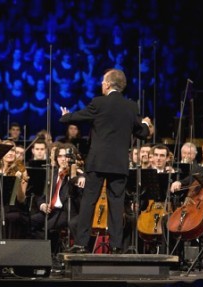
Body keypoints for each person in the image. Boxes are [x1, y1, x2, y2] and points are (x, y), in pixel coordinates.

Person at [60, 68, 153, 254]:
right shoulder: (130, 107)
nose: (101, 84)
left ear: (109, 84)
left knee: (89, 202)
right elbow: (143, 132)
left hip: (98, 162)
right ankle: (117, 245)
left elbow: (78, 117)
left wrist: (65, 116)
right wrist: (145, 123)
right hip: (119, 164)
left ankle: (81, 244)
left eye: (103, 81)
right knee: (116, 204)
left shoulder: (98, 103)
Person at [170, 140, 203, 265]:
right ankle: (177, 261)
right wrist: (179, 183)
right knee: (175, 222)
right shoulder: (200, 169)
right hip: (200, 209)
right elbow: (187, 180)